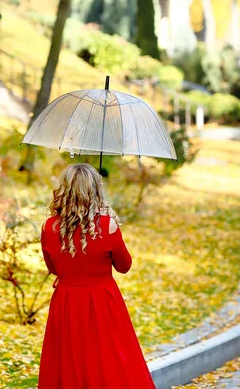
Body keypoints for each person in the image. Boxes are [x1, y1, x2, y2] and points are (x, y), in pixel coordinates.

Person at [38, 163, 156, 389]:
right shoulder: (106, 225)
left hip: (66, 303)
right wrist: (109, 228)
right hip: (103, 303)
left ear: (64, 189)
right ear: (95, 190)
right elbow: (124, 266)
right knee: (108, 359)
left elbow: (53, 268)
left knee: (69, 360)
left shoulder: (49, 227)